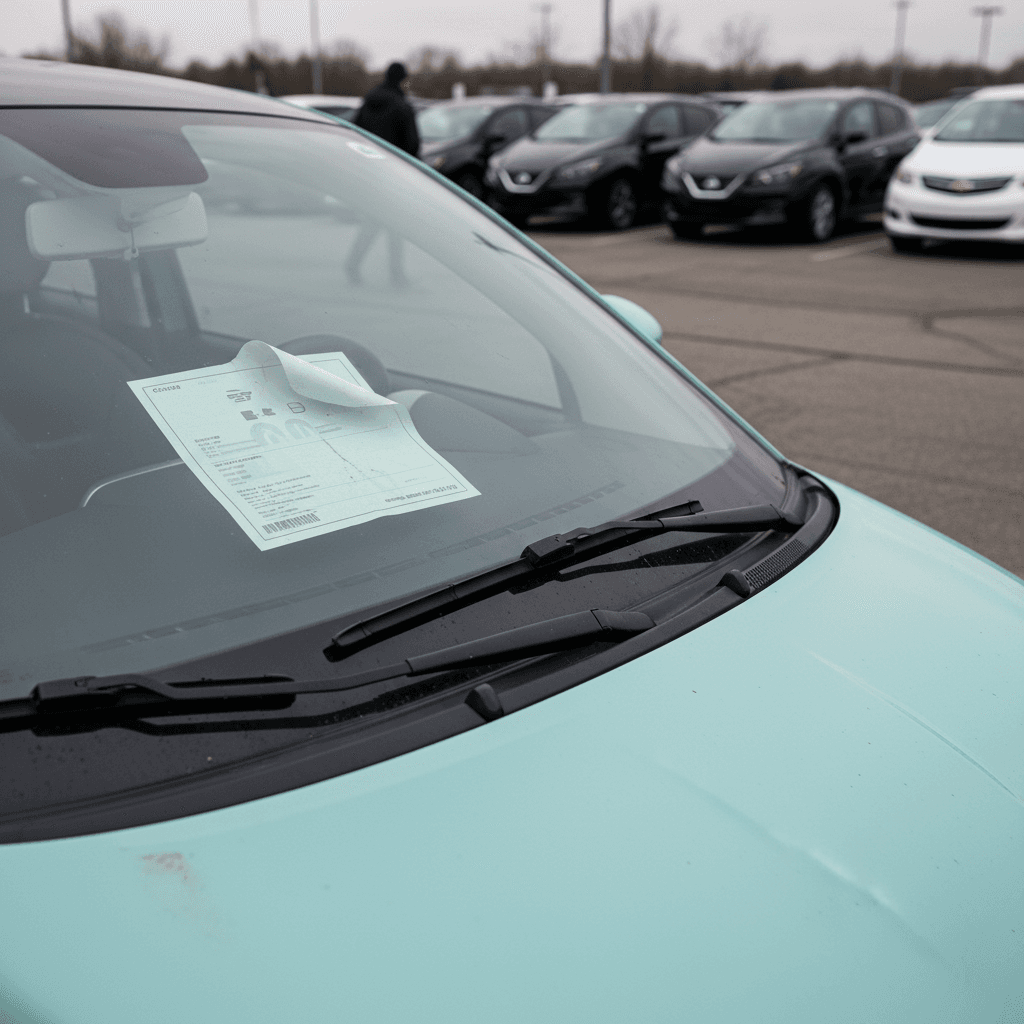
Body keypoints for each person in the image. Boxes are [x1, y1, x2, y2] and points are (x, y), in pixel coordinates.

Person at [347, 63, 420, 286]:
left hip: (370, 175)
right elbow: (412, 145)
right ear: (401, 80)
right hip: (393, 175)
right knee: (393, 226)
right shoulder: (401, 107)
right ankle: (395, 274)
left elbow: (354, 133)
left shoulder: (368, 103)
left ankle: (355, 263)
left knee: (375, 223)